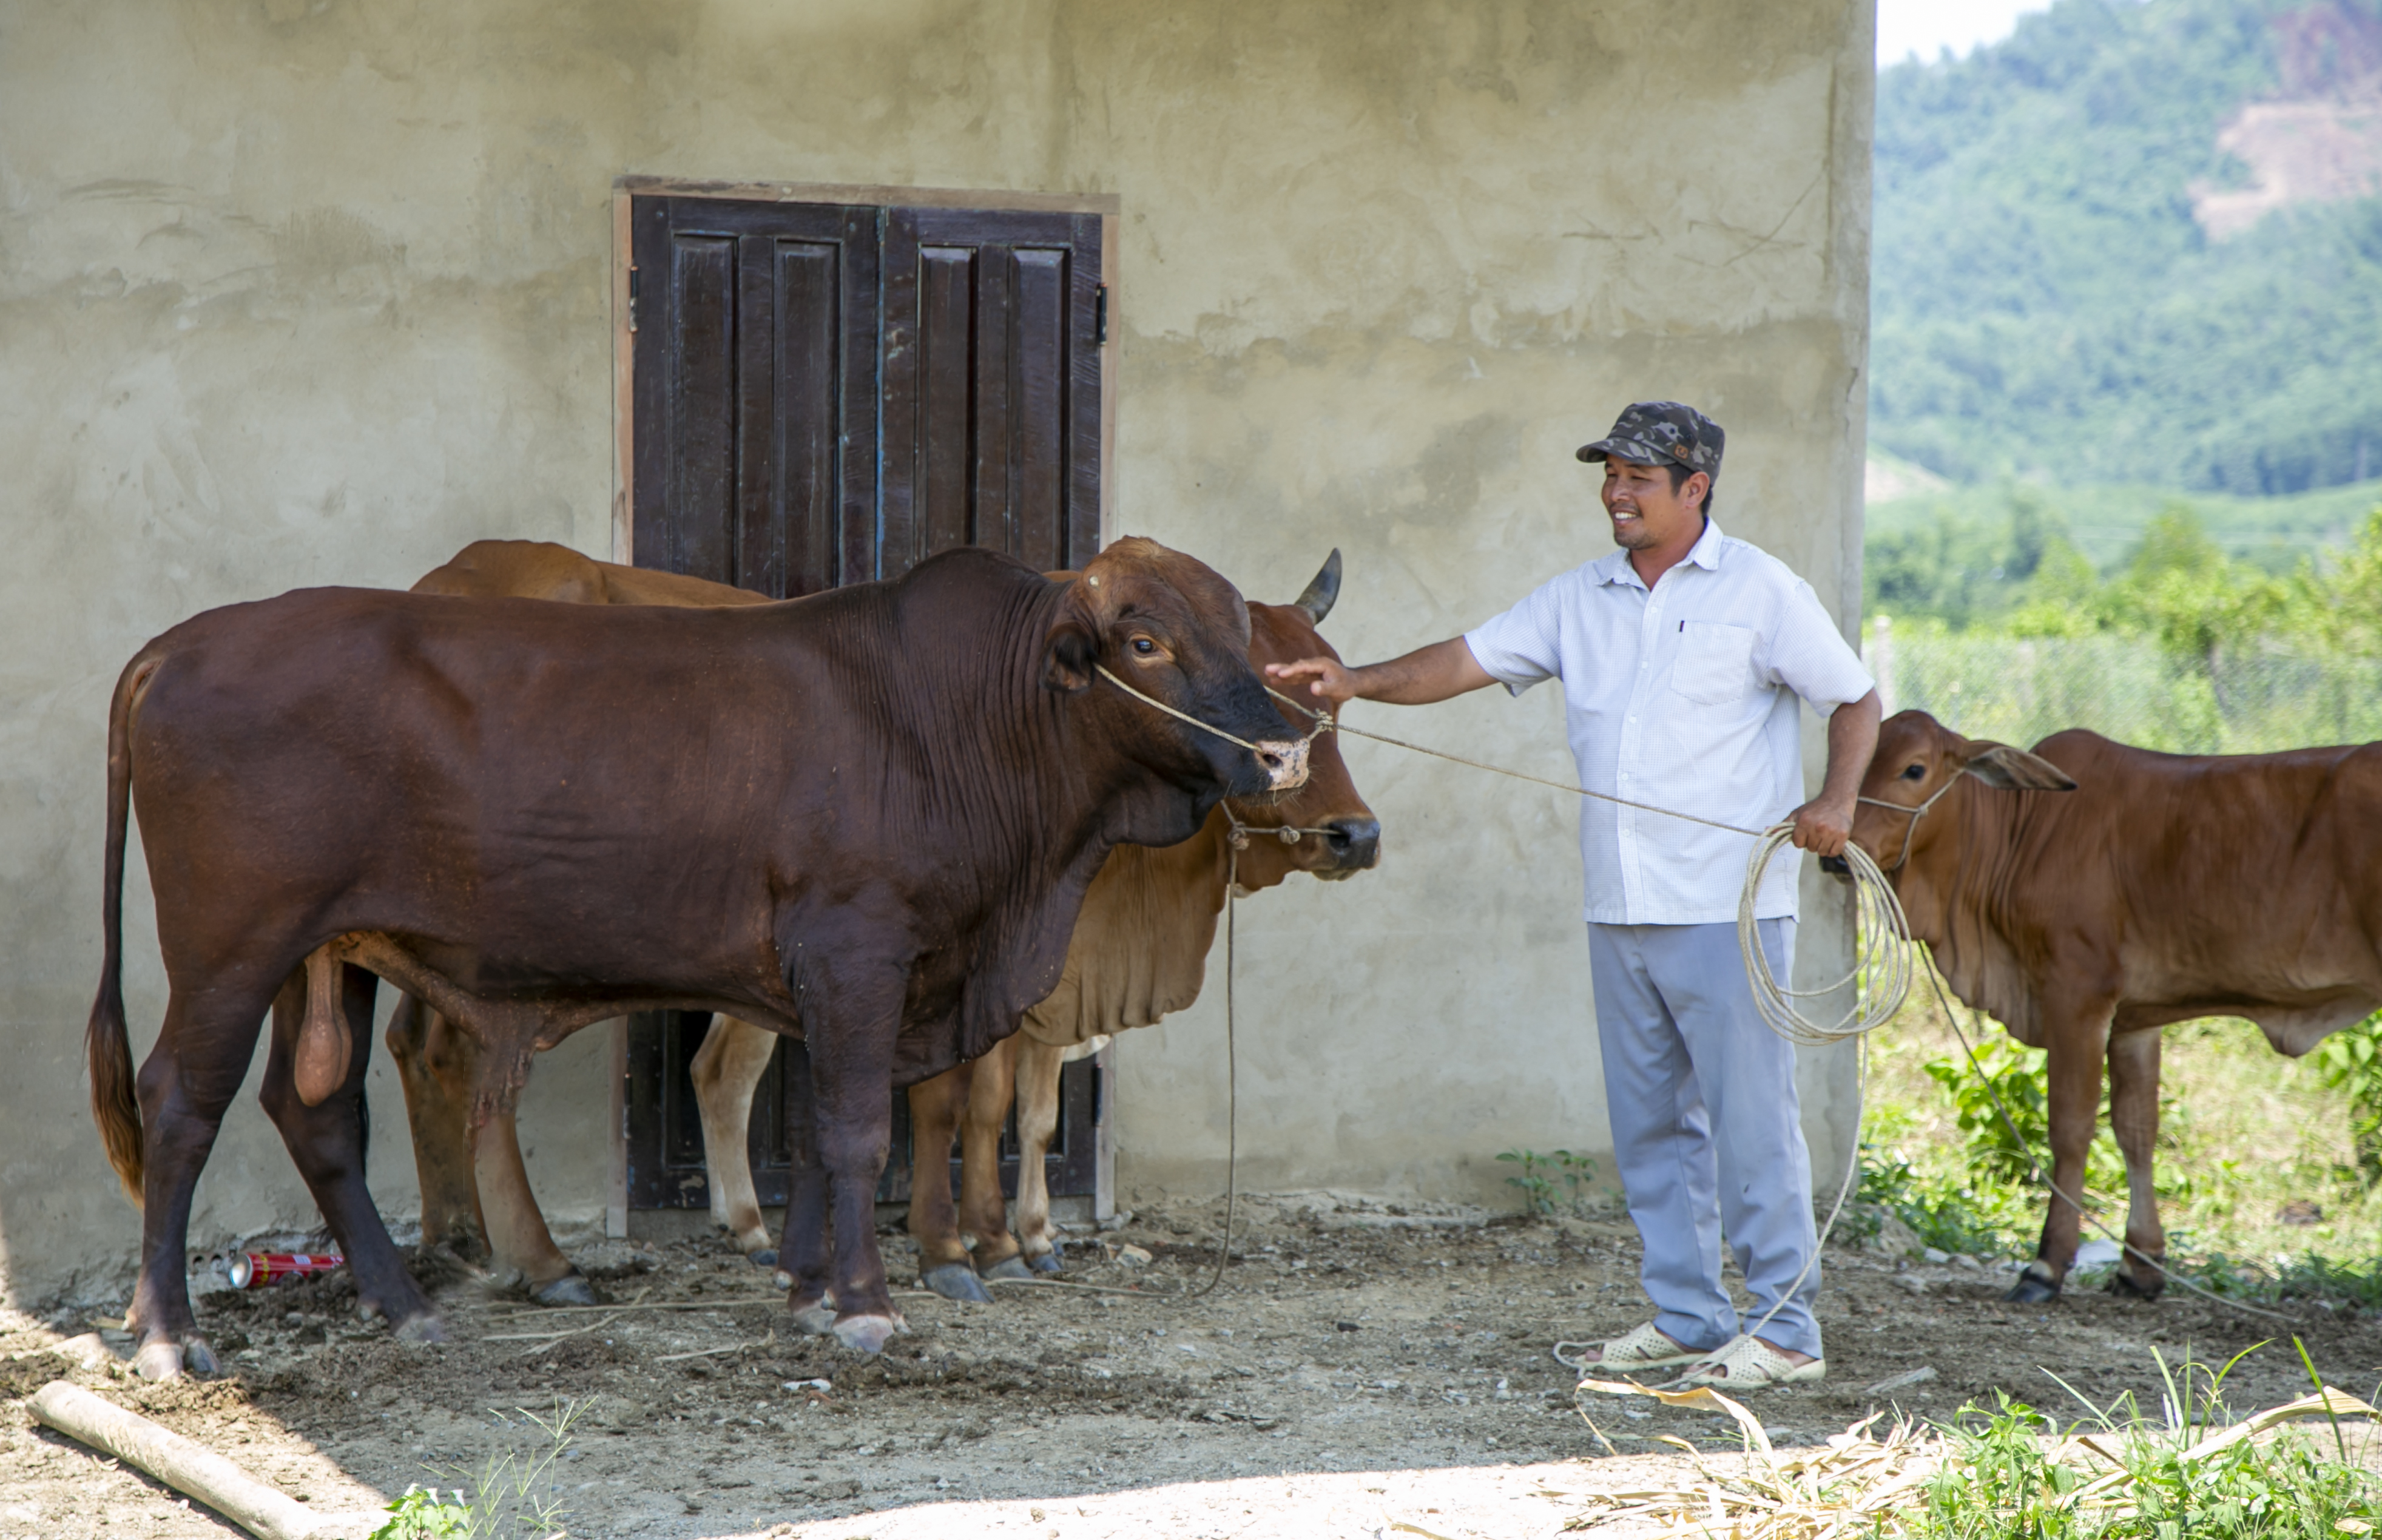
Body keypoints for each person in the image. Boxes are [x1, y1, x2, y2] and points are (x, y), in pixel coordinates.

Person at [1269, 402, 1879, 1389]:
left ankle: (1784, 1332)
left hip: (1725, 907)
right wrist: (1351, 683)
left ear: (1695, 488)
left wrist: (1836, 801)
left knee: (1751, 1125)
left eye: (1638, 477)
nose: (1615, 492)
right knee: (1650, 1131)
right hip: (1620, 905)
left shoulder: (1761, 590)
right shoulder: (1577, 597)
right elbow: (1463, 659)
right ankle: (1688, 1316)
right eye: (1608, 473)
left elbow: (1853, 697)